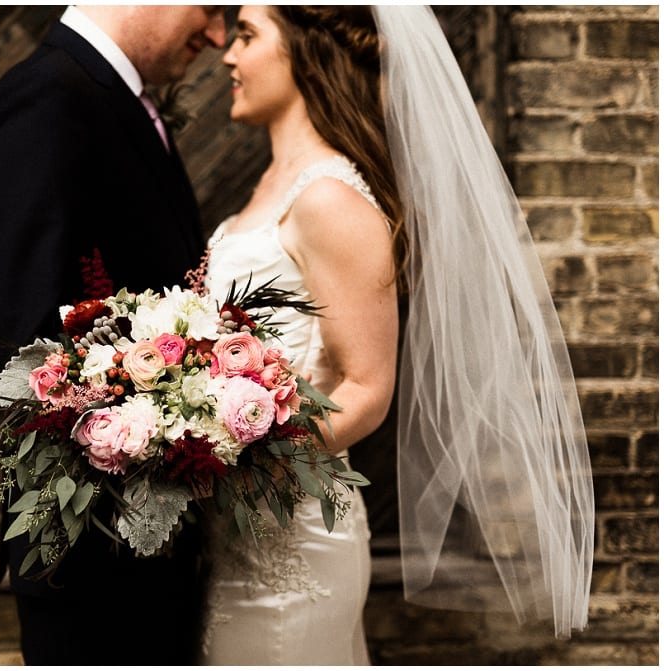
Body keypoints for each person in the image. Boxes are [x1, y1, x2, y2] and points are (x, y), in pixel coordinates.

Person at [200, 5, 594, 665]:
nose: (228, 58)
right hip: (228, 532)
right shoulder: (269, 188)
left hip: (291, 537)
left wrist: (235, 453)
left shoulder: (330, 201)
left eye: (246, 35)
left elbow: (367, 389)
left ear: (304, 52)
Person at [0, 5, 225, 665]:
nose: (219, 34)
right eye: (213, 6)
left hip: (151, 547)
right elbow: (35, 341)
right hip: (95, 553)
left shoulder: (121, 101)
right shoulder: (46, 100)